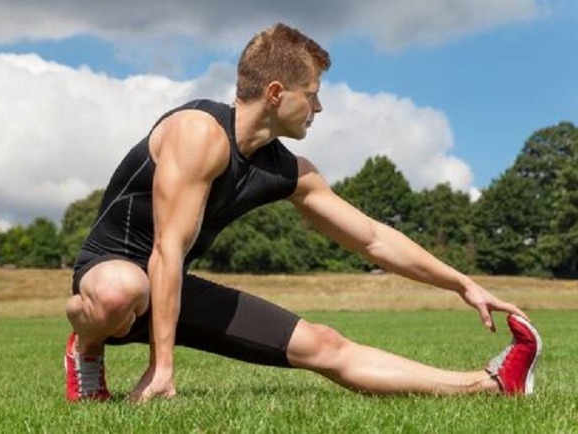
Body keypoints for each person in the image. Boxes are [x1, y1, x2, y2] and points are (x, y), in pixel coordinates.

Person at [64, 23, 541, 403]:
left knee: (324, 344)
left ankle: (490, 385)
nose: (319, 106)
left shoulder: (290, 171)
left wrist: (462, 283)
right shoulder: (197, 134)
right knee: (122, 289)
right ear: (276, 93)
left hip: (172, 291)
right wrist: (161, 369)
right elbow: (167, 248)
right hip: (111, 279)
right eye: (311, 93)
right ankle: (87, 346)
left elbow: (372, 239)